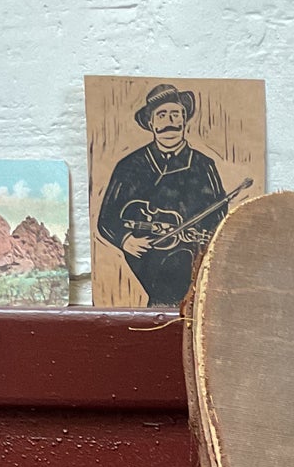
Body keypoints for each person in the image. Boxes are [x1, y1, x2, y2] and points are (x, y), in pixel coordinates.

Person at [96, 84, 229, 306]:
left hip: (190, 258)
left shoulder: (204, 165)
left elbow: (220, 214)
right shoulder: (129, 166)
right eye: (162, 115)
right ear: (151, 123)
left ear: (184, 120)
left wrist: (199, 235)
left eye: (175, 115)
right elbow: (106, 218)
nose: (169, 123)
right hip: (147, 259)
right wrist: (125, 240)